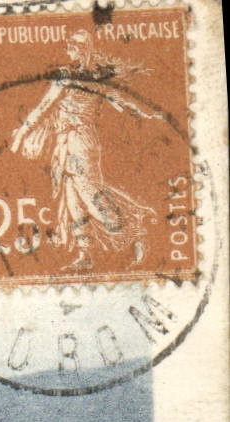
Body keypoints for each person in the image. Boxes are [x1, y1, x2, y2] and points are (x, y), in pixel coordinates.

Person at [10, 30, 163, 272]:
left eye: (71, 46)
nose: (67, 50)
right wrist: (142, 110)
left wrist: (20, 135)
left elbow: (43, 107)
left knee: (90, 194)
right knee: (72, 200)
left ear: (79, 50)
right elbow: (119, 98)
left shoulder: (69, 76)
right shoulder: (93, 77)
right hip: (67, 141)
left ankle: (134, 231)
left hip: (80, 140)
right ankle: (85, 255)